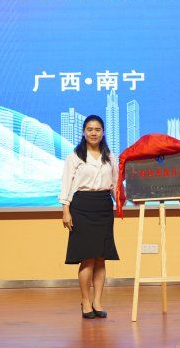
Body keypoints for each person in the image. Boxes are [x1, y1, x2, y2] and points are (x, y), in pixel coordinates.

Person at [59, 115, 119, 319]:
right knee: (87, 258)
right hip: (81, 207)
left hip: (103, 207)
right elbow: (66, 184)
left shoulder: (109, 156)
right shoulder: (75, 157)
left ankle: (97, 301)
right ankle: (85, 301)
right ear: (84, 132)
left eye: (97, 129)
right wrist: (66, 210)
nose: (94, 133)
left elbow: (115, 185)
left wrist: (123, 202)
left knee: (101, 257)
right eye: (90, 129)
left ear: (103, 133)